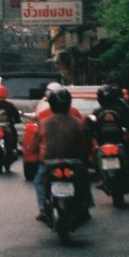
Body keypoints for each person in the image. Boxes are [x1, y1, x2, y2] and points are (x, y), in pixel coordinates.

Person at [27, 85, 92, 222]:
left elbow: (34, 144)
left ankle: (43, 209)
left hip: (49, 162)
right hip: (74, 162)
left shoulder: (44, 122)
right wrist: (85, 156)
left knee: (39, 181)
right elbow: (86, 143)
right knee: (84, 179)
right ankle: (86, 205)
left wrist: (32, 151)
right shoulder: (78, 122)